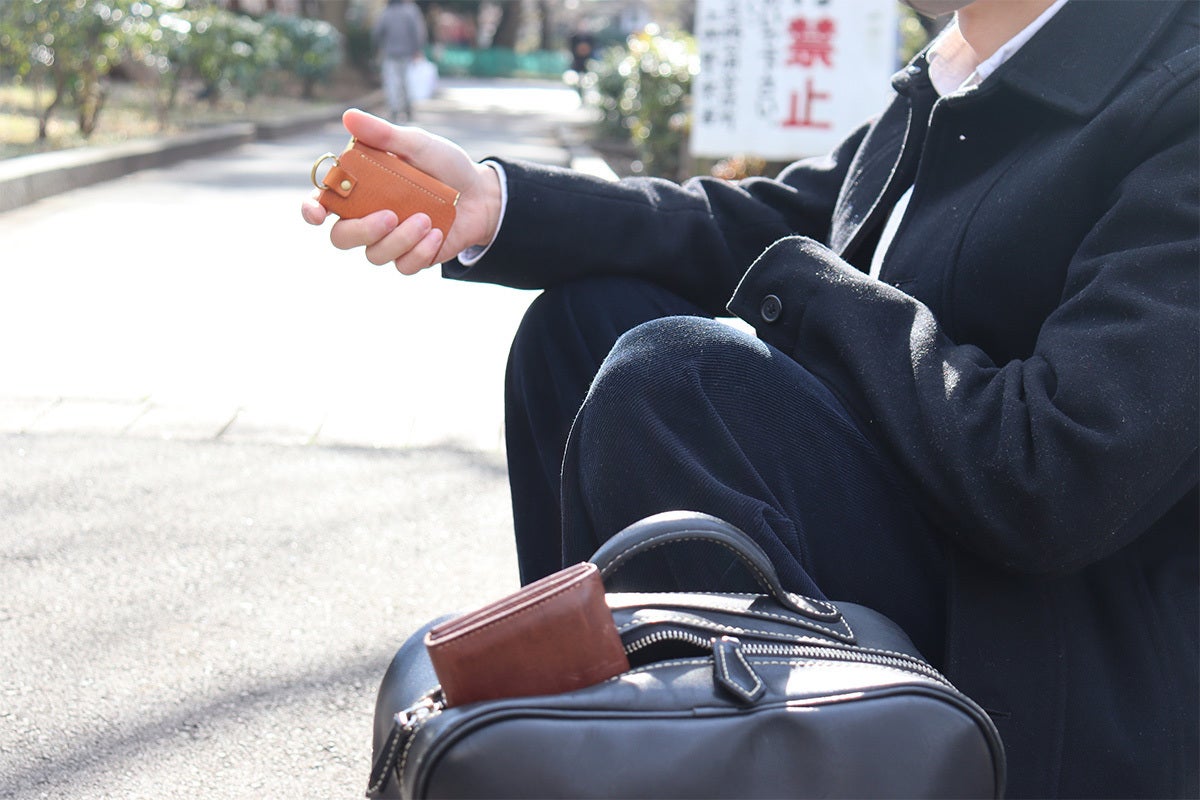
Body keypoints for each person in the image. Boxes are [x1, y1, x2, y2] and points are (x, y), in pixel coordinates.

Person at [302, 0, 1198, 796]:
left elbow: (1061, 470)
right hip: (926, 536)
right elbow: (774, 221)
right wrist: (498, 204)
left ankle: (735, 758)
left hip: (1054, 657)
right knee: (584, 327)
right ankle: (597, 742)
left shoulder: (1173, 92)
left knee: (681, 381)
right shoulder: (965, 65)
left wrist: (810, 290)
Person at [372, 0, 427, 122]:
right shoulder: (411, 10)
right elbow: (418, 31)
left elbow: (377, 32)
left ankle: (394, 109)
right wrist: (417, 49)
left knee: (392, 82)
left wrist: (378, 47)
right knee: (406, 81)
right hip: (408, 53)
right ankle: (407, 108)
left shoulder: (386, 12)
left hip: (390, 53)